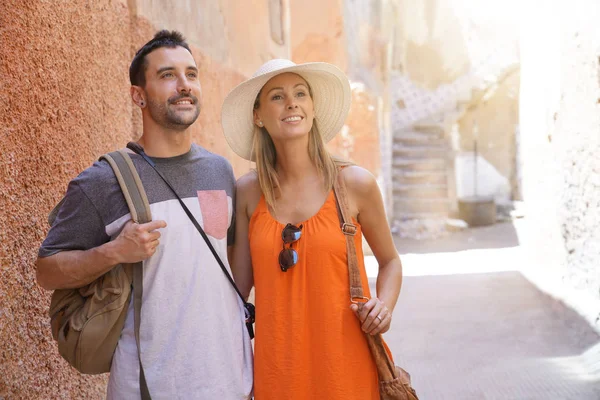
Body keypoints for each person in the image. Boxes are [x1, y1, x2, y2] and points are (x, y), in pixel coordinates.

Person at [36, 30, 253, 399]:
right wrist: (114, 252)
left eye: (191, 74)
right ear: (138, 95)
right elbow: (46, 270)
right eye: (168, 75)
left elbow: (229, 264)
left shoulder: (220, 171)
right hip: (150, 386)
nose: (184, 85)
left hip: (231, 379)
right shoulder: (103, 181)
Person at [222, 59, 403, 399]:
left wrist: (384, 306)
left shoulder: (355, 184)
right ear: (258, 116)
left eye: (300, 93)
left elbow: (390, 262)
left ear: (313, 108)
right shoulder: (247, 192)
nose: (292, 103)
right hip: (278, 374)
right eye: (277, 96)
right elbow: (237, 291)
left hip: (347, 371)